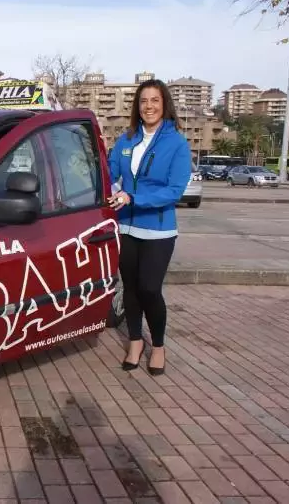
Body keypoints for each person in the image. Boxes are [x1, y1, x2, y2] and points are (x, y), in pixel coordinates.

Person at [106, 79, 192, 376]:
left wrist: (133, 197)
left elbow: (174, 191)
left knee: (149, 289)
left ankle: (157, 345)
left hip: (157, 230)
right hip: (126, 227)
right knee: (130, 289)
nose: (149, 106)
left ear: (164, 104)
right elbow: (110, 171)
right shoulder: (126, 139)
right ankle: (134, 342)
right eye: (143, 101)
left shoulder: (177, 143)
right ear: (137, 106)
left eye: (155, 100)